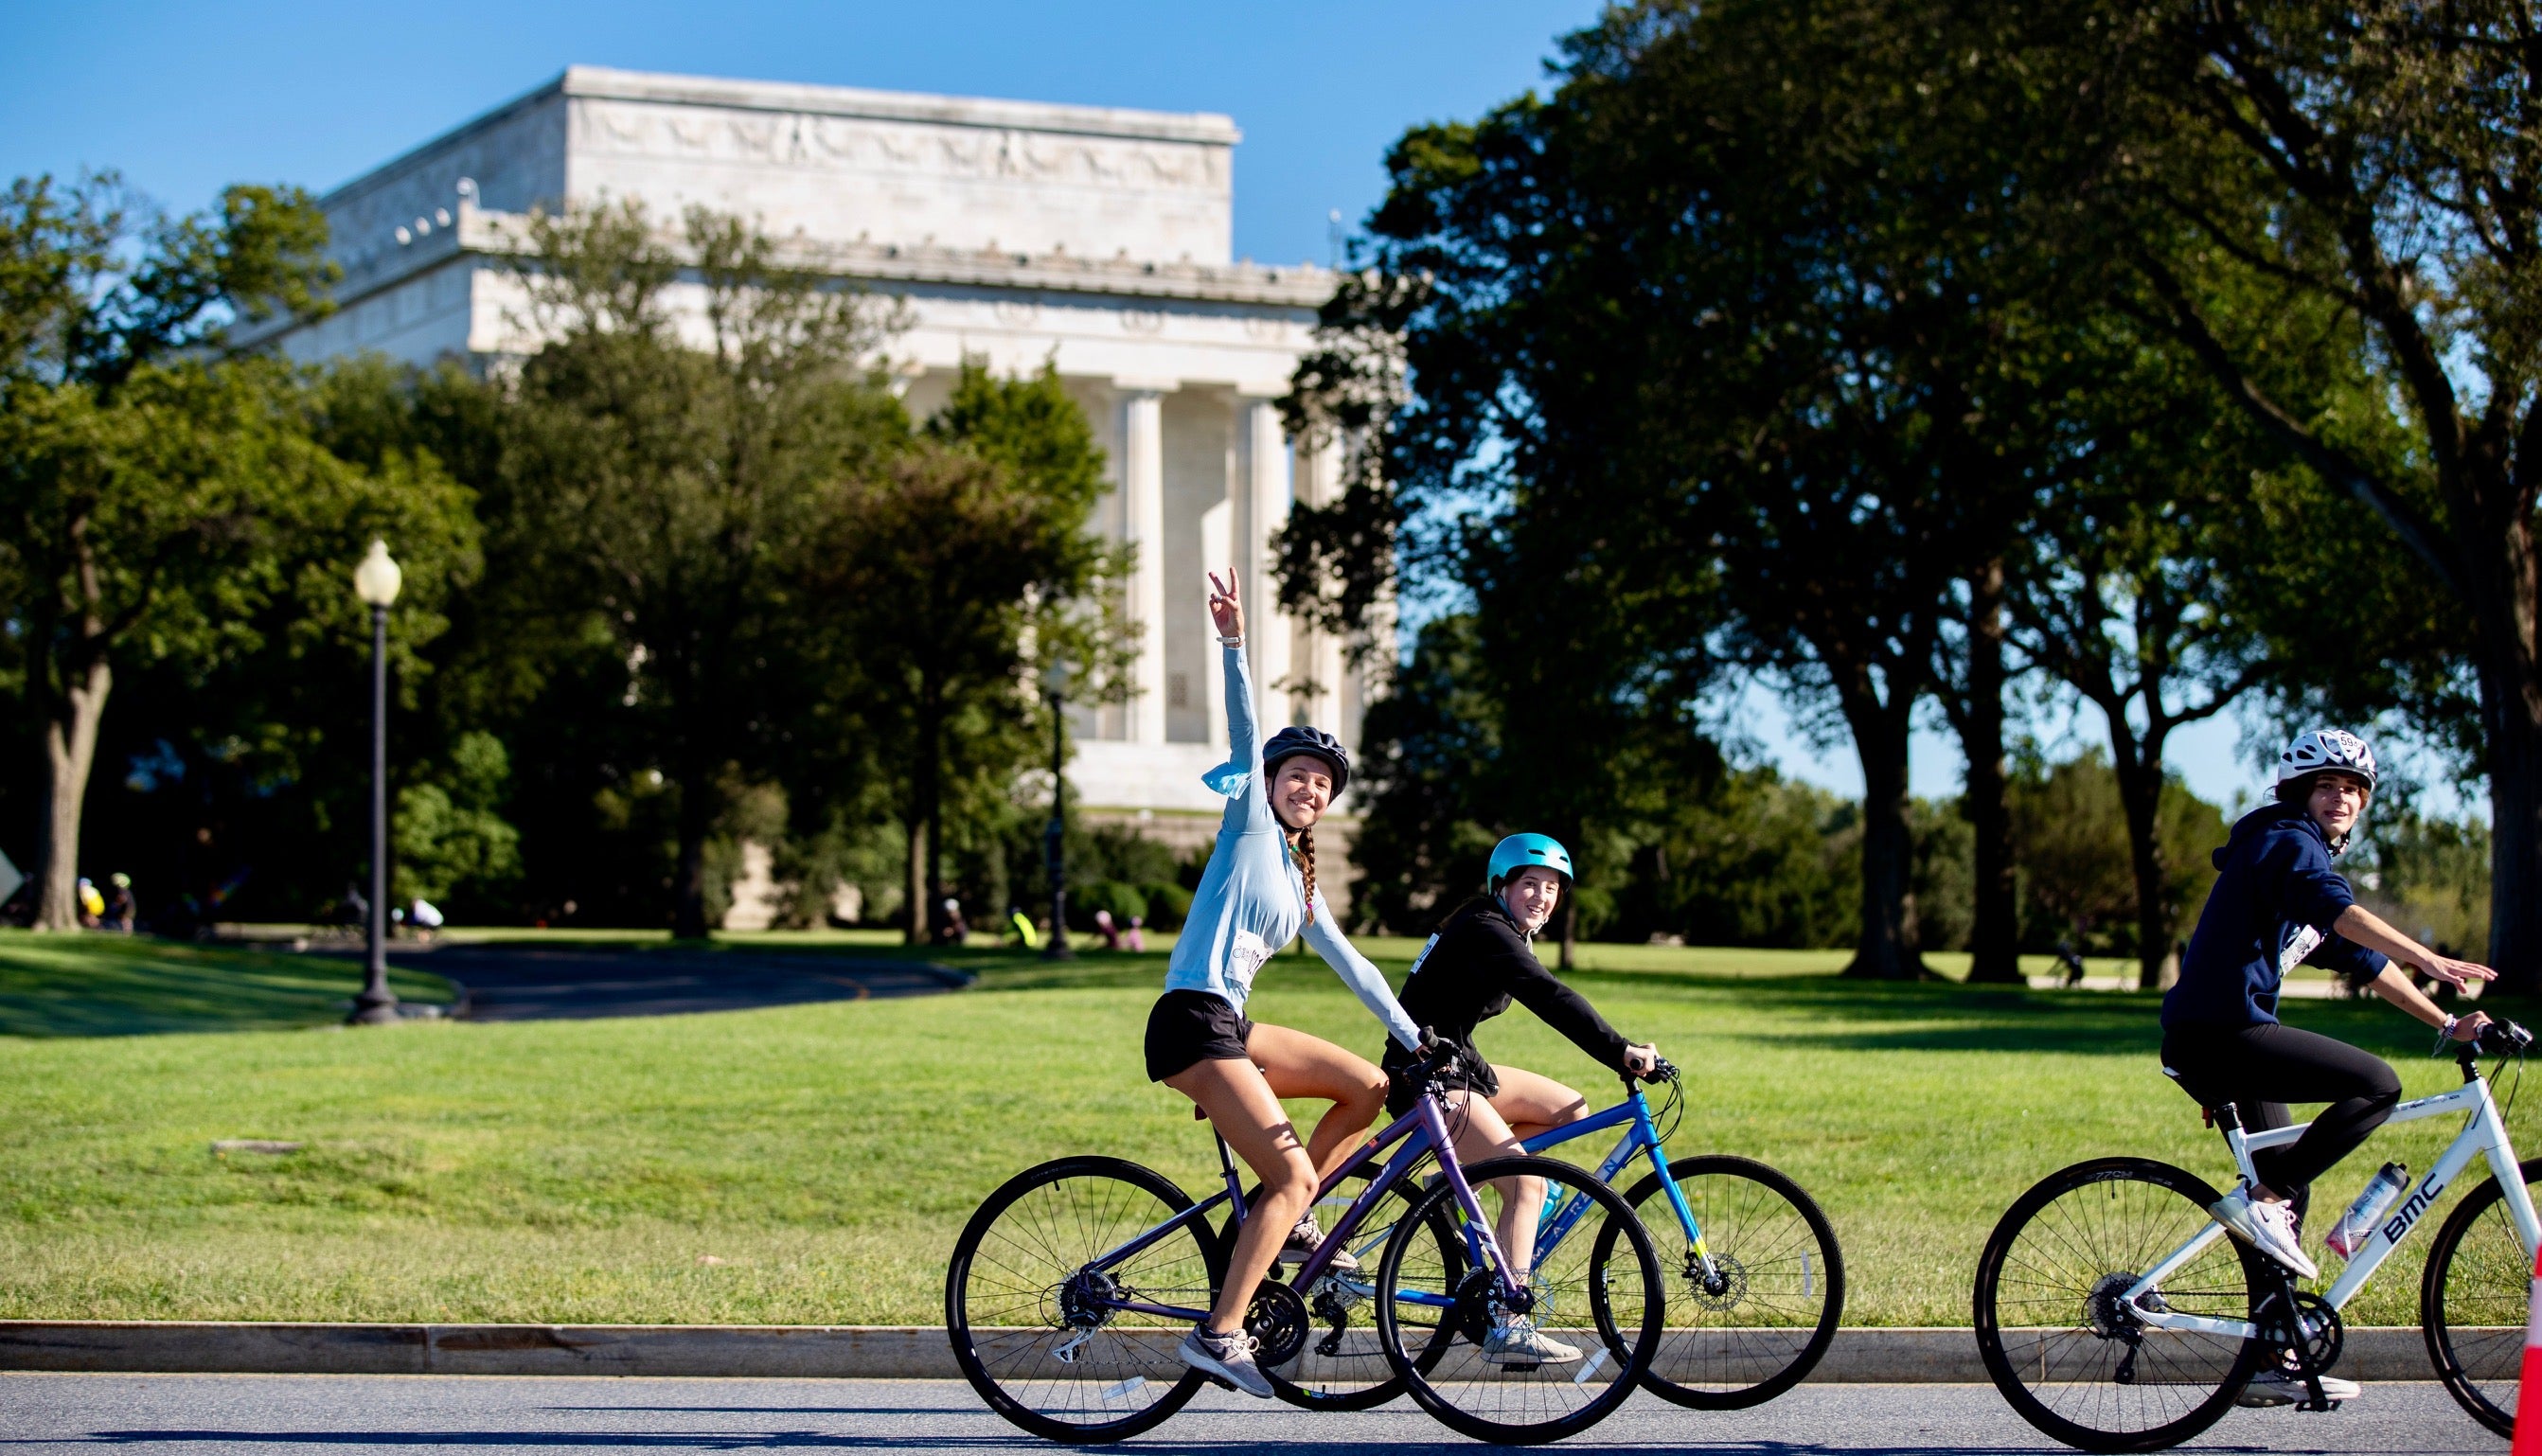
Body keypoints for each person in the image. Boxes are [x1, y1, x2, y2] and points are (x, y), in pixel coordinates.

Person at [1149, 568, 1424, 1399]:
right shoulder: (1246, 826)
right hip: (1192, 1022)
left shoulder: (1301, 884)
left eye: (1322, 784)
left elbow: (1357, 967)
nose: (1309, 788)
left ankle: (1293, 1218)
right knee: (1292, 1174)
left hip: (1231, 1023)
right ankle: (1219, 1334)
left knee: (1368, 1084)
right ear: (1270, 783)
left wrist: (1421, 1040)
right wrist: (1232, 641)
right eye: (1296, 775)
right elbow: (1243, 729)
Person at [2160, 728, 2494, 1408]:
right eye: (2326, 785)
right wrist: (2434, 963)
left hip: (2217, 1036)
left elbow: (2365, 963)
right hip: (2224, 1033)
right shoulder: (2285, 841)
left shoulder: (2290, 854)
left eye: (2352, 788)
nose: (2340, 797)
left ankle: (2265, 1355)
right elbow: (2341, 917)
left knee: (2290, 1172)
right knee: (2374, 1085)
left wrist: (2444, 1024)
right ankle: (2264, 1201)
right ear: (2297, 792)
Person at [1378, 832, 1660, 1365]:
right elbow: (1549, 996)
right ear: (1501, 885)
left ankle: (1462, 1185)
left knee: (1567, 1109)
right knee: (1528, 1182)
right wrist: (1621, 1050)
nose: (1541, 896)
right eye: (1529, 883)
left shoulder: (1497, 926)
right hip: (1428, 1075)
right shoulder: (1487, 929)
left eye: (1552, 887)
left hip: (1456, 1061)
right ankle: (1509, 1322)